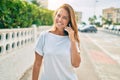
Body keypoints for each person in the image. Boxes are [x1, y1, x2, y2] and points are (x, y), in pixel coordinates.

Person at [32, 3, 81, 80]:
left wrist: (72, 40)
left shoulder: (72, 39)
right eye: (58, 15)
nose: (60, 19)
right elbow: (37, 64)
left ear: (69, 21)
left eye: (64, 18)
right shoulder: (44, 36)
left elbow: (76, 64)